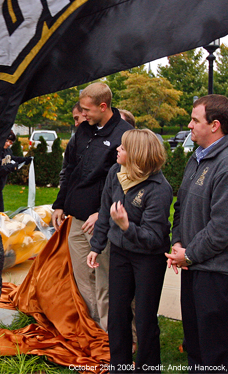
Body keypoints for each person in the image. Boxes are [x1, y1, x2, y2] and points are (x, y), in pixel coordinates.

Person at [165, 94, 228, 371]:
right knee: (195, 345)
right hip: (196, 267)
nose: (190, 125)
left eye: (195, 120)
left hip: (222, 273)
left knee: (217, 352)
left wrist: (189, 254)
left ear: (214, 125)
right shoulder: (198, 159)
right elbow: (181, 204)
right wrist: (178, 242)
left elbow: (225, 225)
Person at [87, 129, 172, 370]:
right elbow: (105, 210)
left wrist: (126, 226)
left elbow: (154, 238)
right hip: (121, 253)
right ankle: (119, 365)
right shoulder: (116, 173)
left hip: (148, 257)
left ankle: (148, 366)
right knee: (117, 315)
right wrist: (97, 245)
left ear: (136, 155)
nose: (117, 149)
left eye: (123, 148)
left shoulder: (158, 188)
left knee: (144, 319)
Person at [52, 82, 133, 330]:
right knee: (82, 277)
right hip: (77, 217)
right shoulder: (84, 131)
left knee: (105, 280)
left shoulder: (124, 134)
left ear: (103, 106)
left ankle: (118, 333)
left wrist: (102, 213)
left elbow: (126, 180)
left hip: (102, 221)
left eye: (87, 110)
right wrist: (60, 204)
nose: (82, 115)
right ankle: (95, 328)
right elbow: (71, 170)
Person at [0, 131, 29, 213]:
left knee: (0, 213)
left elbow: (11, 158)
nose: (8, 144)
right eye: (6, 141)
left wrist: (24, 160)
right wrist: (12, 167)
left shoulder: (7, 151)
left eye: (10, 142)